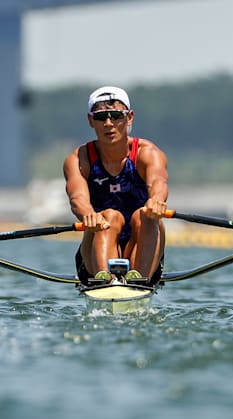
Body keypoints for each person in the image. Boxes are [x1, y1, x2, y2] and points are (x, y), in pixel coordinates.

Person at [64, 85, 169, 285]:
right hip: (96, 245)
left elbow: (158, 182)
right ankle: (104, 280)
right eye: (101, 117)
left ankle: (138, 280)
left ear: (129, 117)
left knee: (145, 215)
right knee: (109, 217)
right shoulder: (80, 159)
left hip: (143, 247)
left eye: (116, 116)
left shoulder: (147, 153)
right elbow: (77, 197)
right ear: (90, 120)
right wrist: (88, 214)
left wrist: (156, 201)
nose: (109, 123)